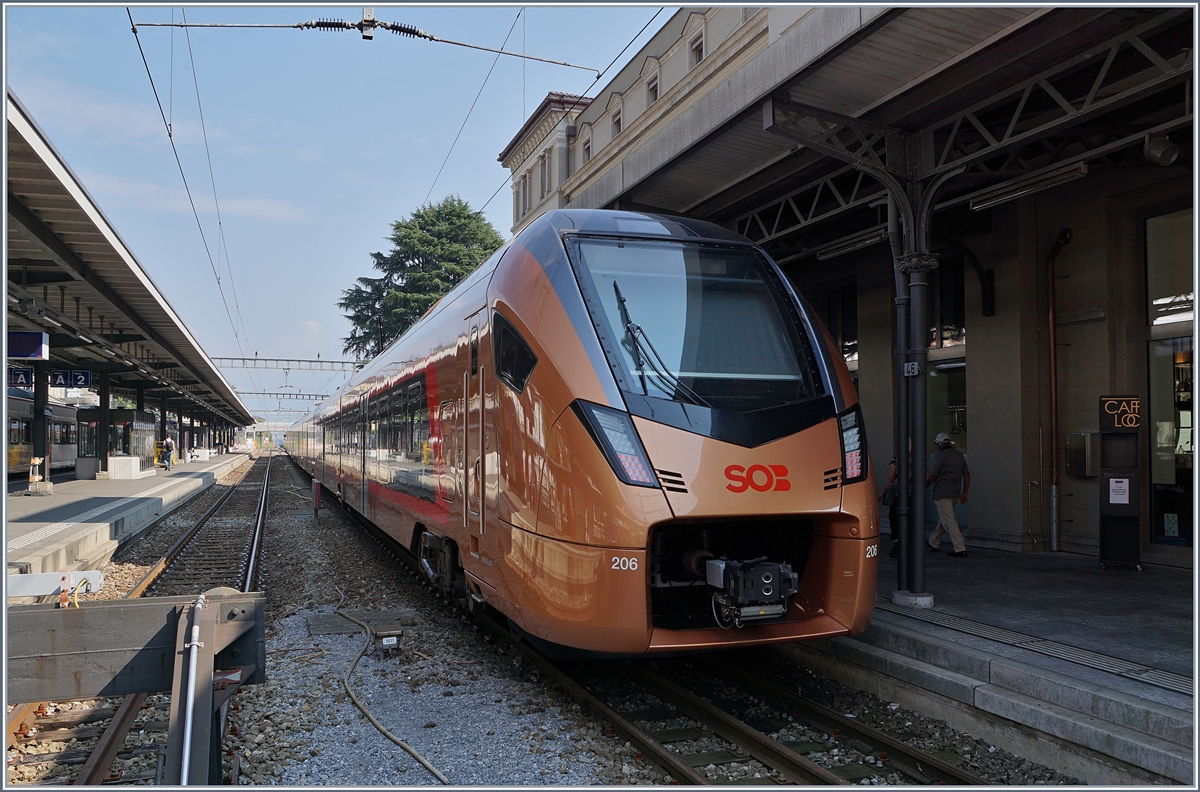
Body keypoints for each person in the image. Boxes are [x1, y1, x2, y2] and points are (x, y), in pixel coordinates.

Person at [926, 432, 970, 557]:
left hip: (942, 493)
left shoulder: (939, 457)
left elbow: (932, 476)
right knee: (944, 519)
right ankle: (933, 542)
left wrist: (923, 488)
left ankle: (960, 548)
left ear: (939, 445)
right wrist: (965, 491)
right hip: (955, 493)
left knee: (949, 522)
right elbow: (967, 475)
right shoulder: (959, 456)